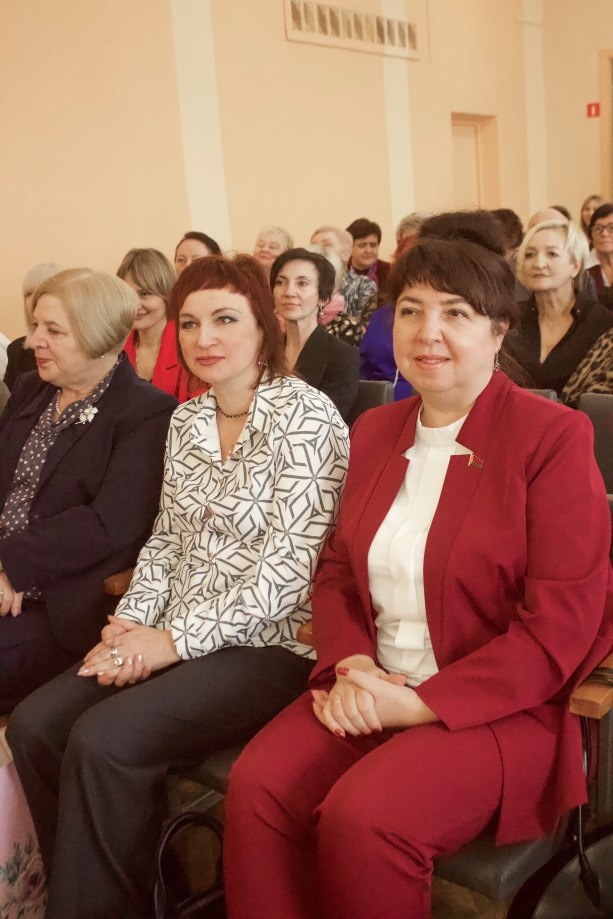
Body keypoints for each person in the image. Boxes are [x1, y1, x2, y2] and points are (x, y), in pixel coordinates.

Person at [222, 224, 613, 919]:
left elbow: (560, 624)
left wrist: (420, 704)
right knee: (257, 787)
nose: (427, 332)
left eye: (455, 312)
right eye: (410, 310)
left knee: (364, 818)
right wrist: (351, 664)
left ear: (498, 330)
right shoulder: (376, 430)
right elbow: (337, 570)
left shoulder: (551, 437)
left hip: (495, 708)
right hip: (372, 682)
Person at [7, 254, 350, 919]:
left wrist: (169, 642)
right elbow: (165, 540)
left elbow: (285, 577)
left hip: (270, 645)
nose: (204, 338)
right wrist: (128, 625)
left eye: (225, 319)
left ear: (264, 325)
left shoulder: (305, 416)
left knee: (104, 739)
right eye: (189, 323)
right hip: (170, 630)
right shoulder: (189, 420)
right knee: (37, 724)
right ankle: (105, 893)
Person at [0, 268, 176, 713]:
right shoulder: (31, 388)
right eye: (36, 325)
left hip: (58, 603)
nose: (32, 341)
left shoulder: (146, 412)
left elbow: (107, 524)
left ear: (97, 337)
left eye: (53, 330)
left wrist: (12, 565)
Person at [513, 220, 613, 396]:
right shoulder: (508, 321)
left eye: (552, 254)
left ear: (576, 265)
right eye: (529, 255)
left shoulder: (603, 324)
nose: (539, 263)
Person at [270, 247, 359, 420]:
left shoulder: (341, 356)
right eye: (280, 282)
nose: (288, 292)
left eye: (302, 283)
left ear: (323, 297)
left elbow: (327, 422)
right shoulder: (267, 351)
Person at [4, 263, 63, 390]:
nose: (33, 301)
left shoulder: (77, 349)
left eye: (42, 292)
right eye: (29, 294)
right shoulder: (16, 350)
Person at [310, 224, 377, 327]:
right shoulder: (305, 286)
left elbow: (368, 329)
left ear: (345, 254)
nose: (318, 250)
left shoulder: (362, 285)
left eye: (327, 245)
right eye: (313, 246)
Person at [346, 217, 391, 293]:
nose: (368, 250)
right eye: (362, 245)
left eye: (373, 245)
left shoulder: (389, 271)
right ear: (350, 247)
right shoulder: (339, 272)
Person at [587, 203, 613, 296]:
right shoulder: (580, 270)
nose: (604, 234)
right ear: (591, 235)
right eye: (598, 228)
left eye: (611, 228)